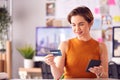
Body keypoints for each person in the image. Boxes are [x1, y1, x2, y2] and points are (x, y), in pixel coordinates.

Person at [44, 6, 108, 79]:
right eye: (73, 25)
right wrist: (52, 64)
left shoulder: (101, 46)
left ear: (91, 23)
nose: (77, 29)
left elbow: (105, 76)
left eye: (81, 24)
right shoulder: (64, 45)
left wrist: (100, 73)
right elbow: (57, 76)